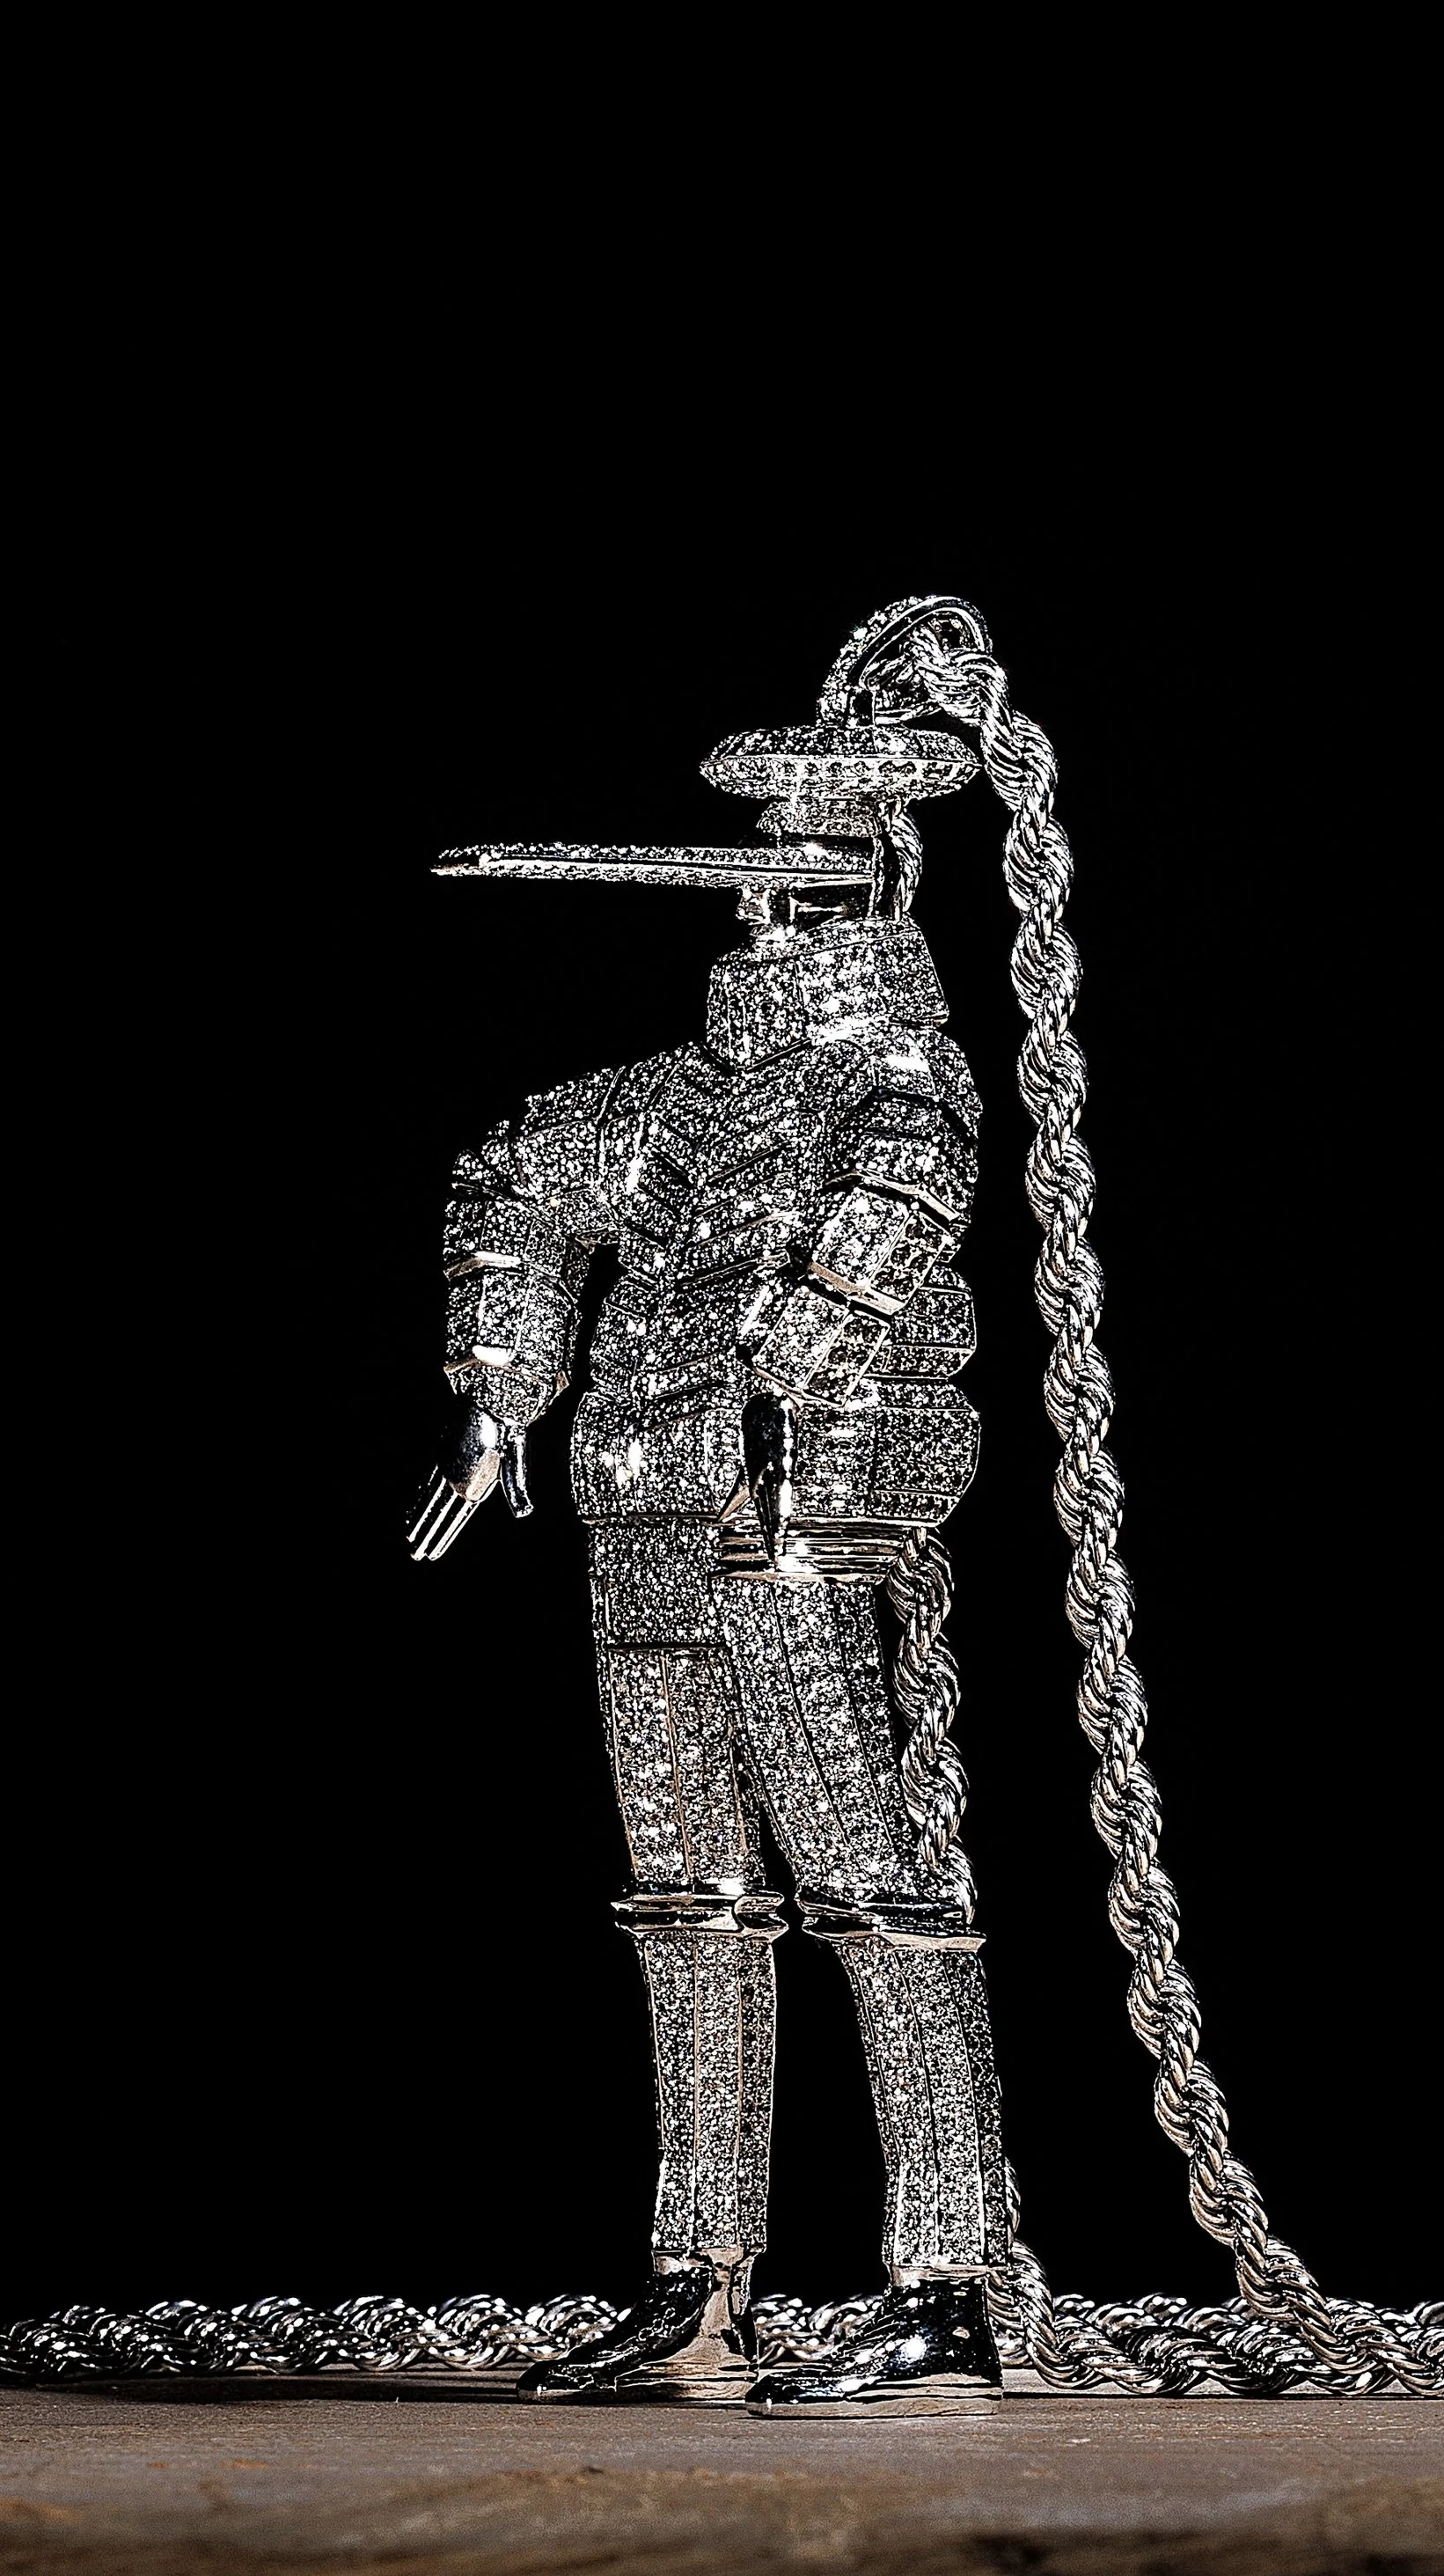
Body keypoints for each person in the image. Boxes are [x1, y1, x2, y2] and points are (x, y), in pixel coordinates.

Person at [410, 724, 1015, 2415]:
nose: (766, 918)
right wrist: (501, 1395)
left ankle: (946, 2281)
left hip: (798, 1505)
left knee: (870, 1881)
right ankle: (701, 2284)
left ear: (865, 891)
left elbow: (898, 1218)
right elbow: (514, 1178)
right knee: (687, 1898)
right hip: (640, 1498)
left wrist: (787, 1375)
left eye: (802, 888)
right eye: (762, 886)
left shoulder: (900, 1082)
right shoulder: (674, 1104)